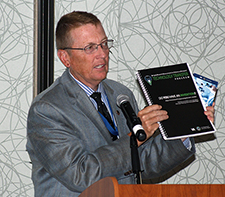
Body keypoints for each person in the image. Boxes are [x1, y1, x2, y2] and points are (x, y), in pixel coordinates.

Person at [26, 11, 215, 196]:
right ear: (65, 58)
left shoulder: (120, 94)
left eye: (104, 44)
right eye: (90, 48)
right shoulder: (47, 109)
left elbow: (142, 163)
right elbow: (80, 174)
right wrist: (135, 139)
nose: (102, 54)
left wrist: (184, 129)